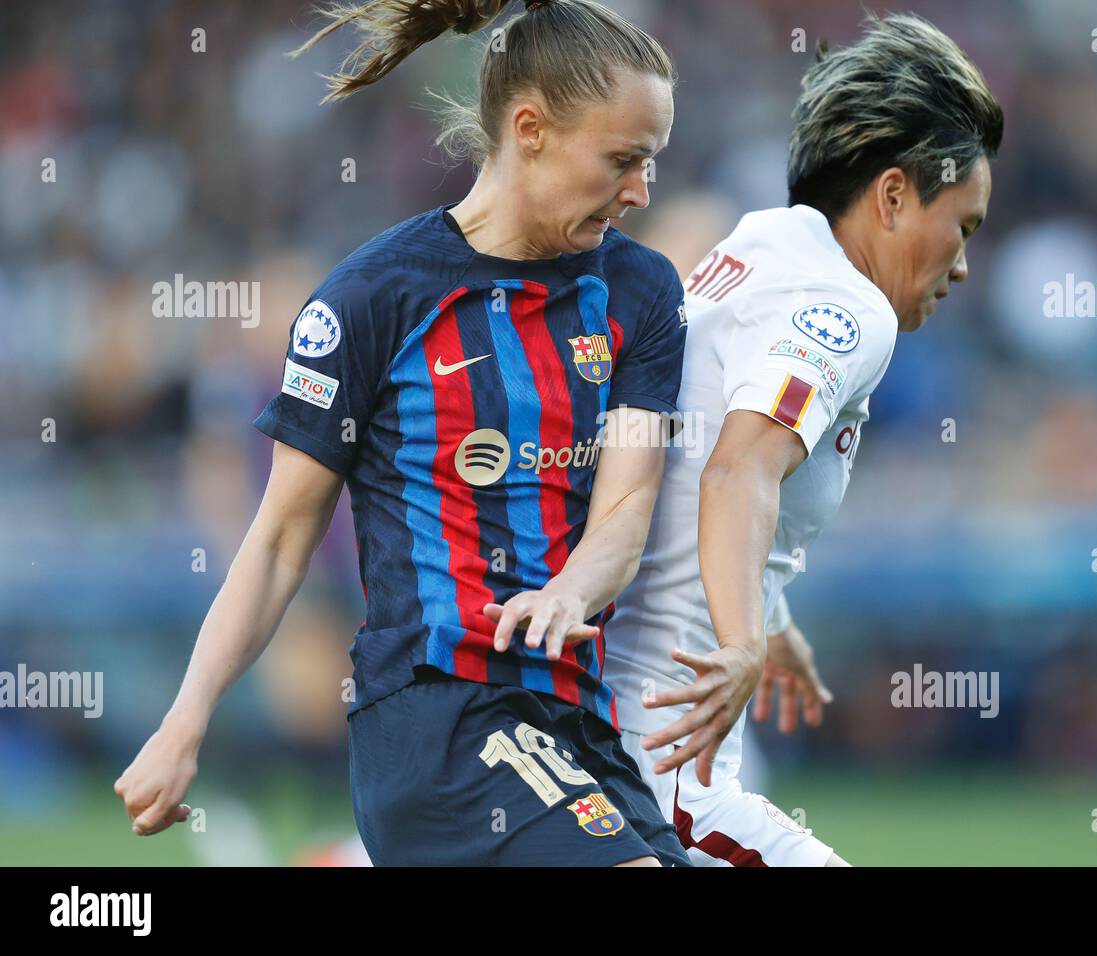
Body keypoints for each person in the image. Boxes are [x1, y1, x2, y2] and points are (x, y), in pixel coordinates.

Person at [115, 0, 691, 867]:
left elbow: (626, 510)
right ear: (530, 129)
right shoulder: (374, 298)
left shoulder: (642, 293)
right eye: (624, 159)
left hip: (576, 715)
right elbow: (277, 541)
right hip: (438, 719)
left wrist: (570, 593)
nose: (642, 190)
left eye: (650, 163)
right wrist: (183, 723)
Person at [603, 12, 1004, 866]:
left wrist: (770, 617)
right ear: (894, 195)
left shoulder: (759, 244)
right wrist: (745, 640)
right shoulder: (852, 311)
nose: (963, 265)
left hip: (608, 705)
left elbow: (698, 436)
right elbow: (737, 465)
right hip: (659, 753)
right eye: (962, 227)